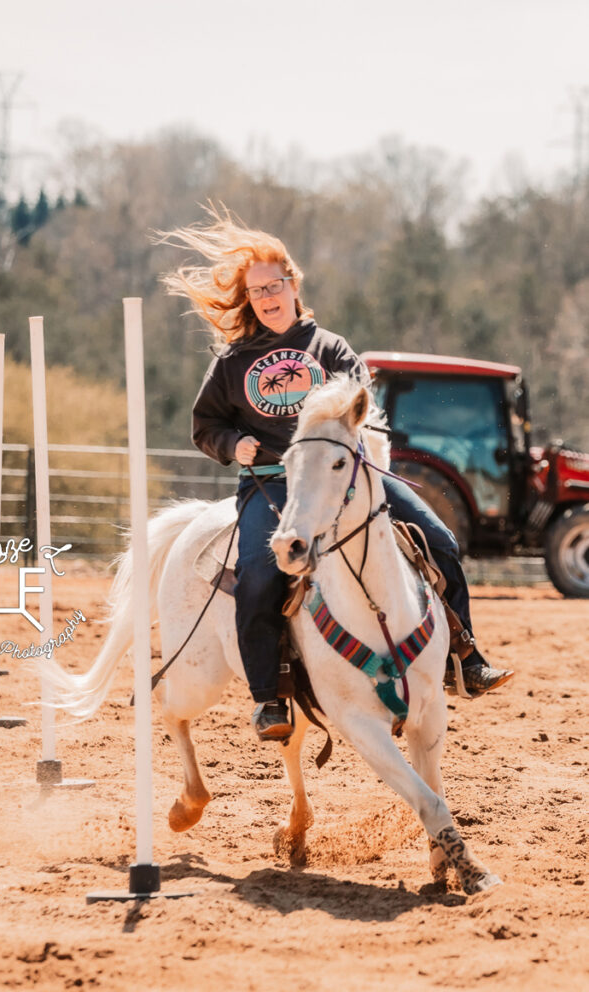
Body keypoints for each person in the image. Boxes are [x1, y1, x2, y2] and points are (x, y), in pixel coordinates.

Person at [161, 210, 514, 742]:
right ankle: (269, 698)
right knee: (258, 572)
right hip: (270, 482)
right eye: (256, 291)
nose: (266, 297)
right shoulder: (233, 363)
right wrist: (235, 443)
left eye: (274, 285)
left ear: (293, 284)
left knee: (439, 539)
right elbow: (203, 426)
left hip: (350, 477)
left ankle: (464, 656)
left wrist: (363, 461)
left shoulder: (331, 349)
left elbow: (365, 415)